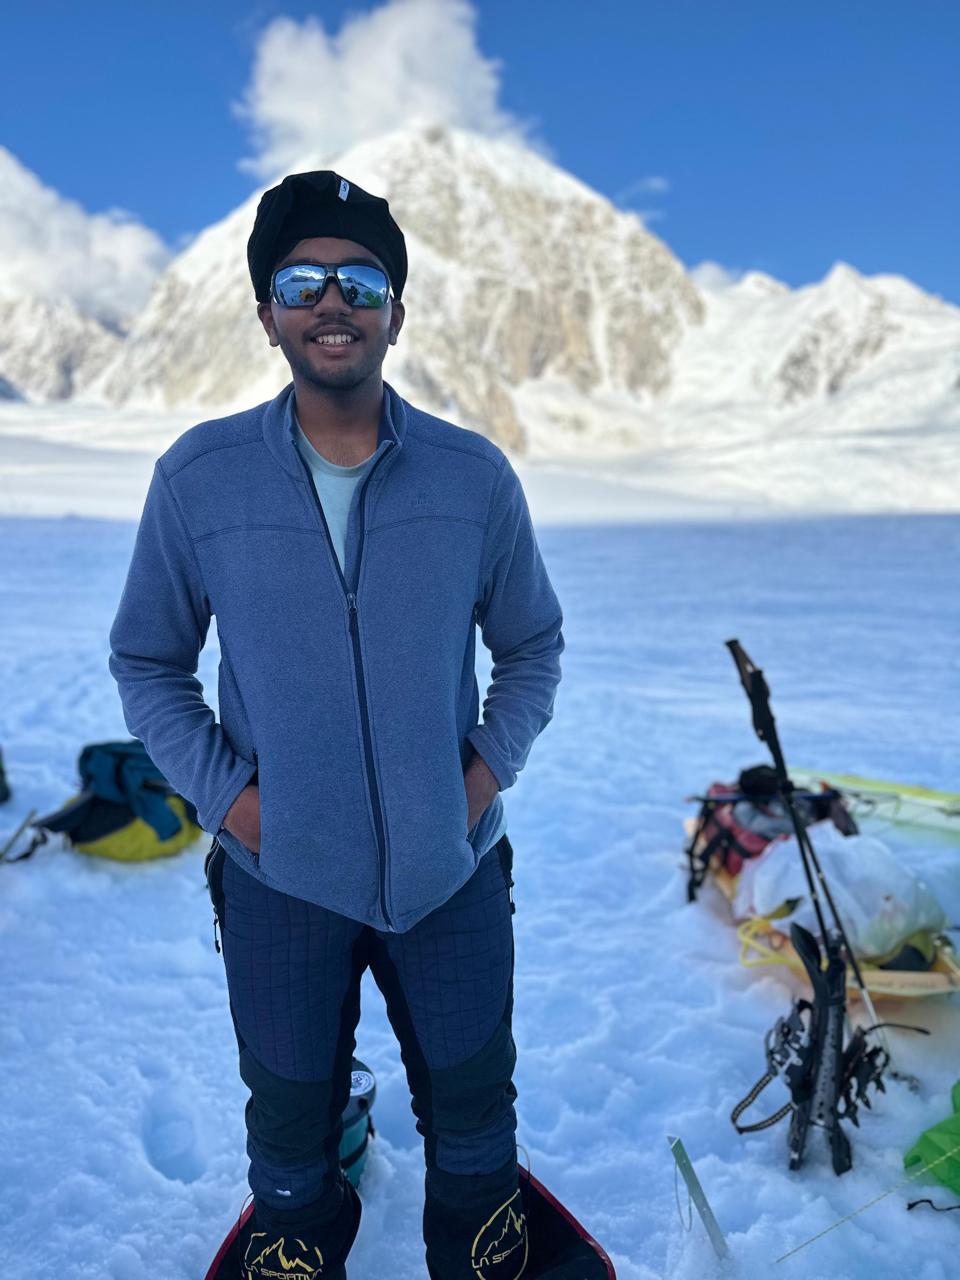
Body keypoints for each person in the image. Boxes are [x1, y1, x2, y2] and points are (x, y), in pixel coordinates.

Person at [108, 169, 564, 1279]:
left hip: (451, 874)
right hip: (280, 879)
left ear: (395, 314)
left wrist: (477, 779)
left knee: (476, 1127)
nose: (331, 302)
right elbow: (148, 661)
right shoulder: (201, 478)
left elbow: (533, 646)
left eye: (360, 282)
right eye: (301, 281)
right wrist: (233, 801)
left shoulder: (471, 477)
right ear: (266, 314)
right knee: (288, 1143)